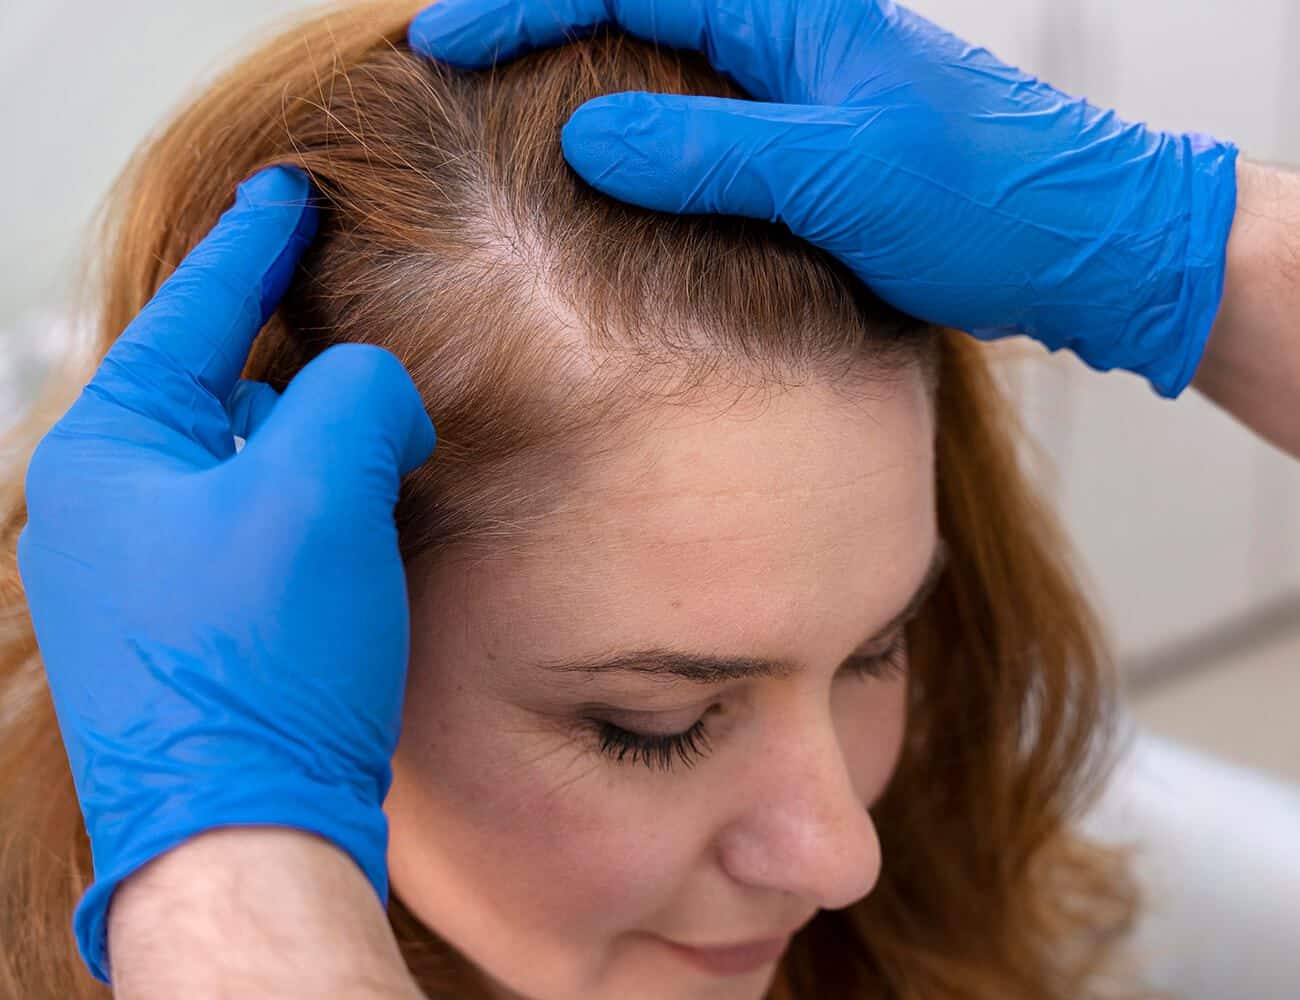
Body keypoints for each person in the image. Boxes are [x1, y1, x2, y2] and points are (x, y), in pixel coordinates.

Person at [2, 0, 1295, 997]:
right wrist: (231, 885)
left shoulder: (995, 880)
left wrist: (1199, 249)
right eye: (654, 725)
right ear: (299, 647)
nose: (847, 854)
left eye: (877, 650)